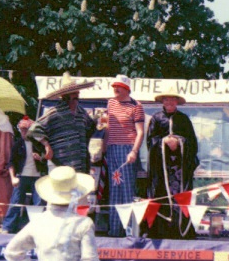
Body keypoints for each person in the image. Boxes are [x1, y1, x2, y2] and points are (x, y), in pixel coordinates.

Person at [146, 90, 199, 239]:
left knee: (181, 196)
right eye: (166, 100)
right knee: (161, 196)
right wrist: (163, 142)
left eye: (172, 100)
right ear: (163, 102)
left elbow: (192, 142)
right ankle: (160, 231)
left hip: (180, 169)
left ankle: (181, 230)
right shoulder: (156, 118)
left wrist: (179, 142)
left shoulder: (184, 119)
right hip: (161, 169)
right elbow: (150, 141)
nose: (169, 103)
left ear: (177, 102)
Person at [28, 73, 97, 174]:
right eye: (73, 93)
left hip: (80, 163)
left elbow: (91, 126)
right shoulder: (54, 112)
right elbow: (33, 130)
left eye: (77, 92)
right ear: (65, 96)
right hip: (59, 163)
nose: (77, 95)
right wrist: (46, 145)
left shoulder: (81, 113)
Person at [105, 75, 145, 237]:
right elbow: (108, 126)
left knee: (127, 190)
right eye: (114, 86)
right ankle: (114, 230)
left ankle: (129, 231)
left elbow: (140, 132)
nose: (115, 89)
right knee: (115, 189)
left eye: (119, 86)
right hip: (112, 148)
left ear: (126, 89)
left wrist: (134, 151)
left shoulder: (136, 106)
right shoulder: (111, 103)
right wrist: (103, 147)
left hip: (127, 148)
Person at [1, 117, 47, 234]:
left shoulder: (38, 144)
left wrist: (40, 158)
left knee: (39, 203)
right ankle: (8, 226)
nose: (24, 132)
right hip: (21, 176)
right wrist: (13, 177)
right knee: (16, 201)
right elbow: (11, 163)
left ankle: (38, 227)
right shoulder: (17, 144)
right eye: (22, 130)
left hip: (37, 176)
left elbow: (47, 158)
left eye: (26, 130)